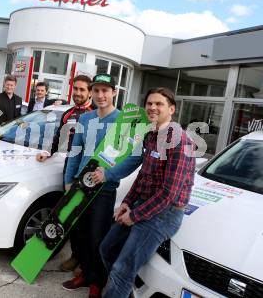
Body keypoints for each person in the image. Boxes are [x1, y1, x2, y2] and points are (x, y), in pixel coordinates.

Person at [95, 88, 196, 298]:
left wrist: (135, 215)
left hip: (164, 215)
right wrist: (128, 202)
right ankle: (123, 288)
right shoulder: (151, 135)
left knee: (122, 269)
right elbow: (144, 175)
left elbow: (169, 193)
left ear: (171, 109)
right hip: (142, 204)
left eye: (159, 104)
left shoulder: (180, 141)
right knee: (107, 248)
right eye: (149, 103)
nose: (152, 107)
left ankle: (120, 284)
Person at [61, 74, 139, 298]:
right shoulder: (85, 119)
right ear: (92, 93)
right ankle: (85, 274)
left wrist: (109, 174)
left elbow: (135, 157)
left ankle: (97, 281)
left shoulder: (125, 120)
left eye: (106, 91)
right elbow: (75, 151)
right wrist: (69, 180)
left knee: (97, 237)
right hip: (79, 185)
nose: (100, 95)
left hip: (103, 190)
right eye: (96, 90)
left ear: (114, 92)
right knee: (81, 234)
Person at [35, 74, 94, 272]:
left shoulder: (95, 113)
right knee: (68, 211)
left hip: (88, 169)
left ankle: (78, 257)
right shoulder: (68, 113)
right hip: (70, 163)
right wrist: (48, 153)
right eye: (75, 89)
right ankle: (73, 253)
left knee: (82, 216)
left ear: (90, 92)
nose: (78, 93)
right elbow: (57, 139)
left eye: (82, 90)